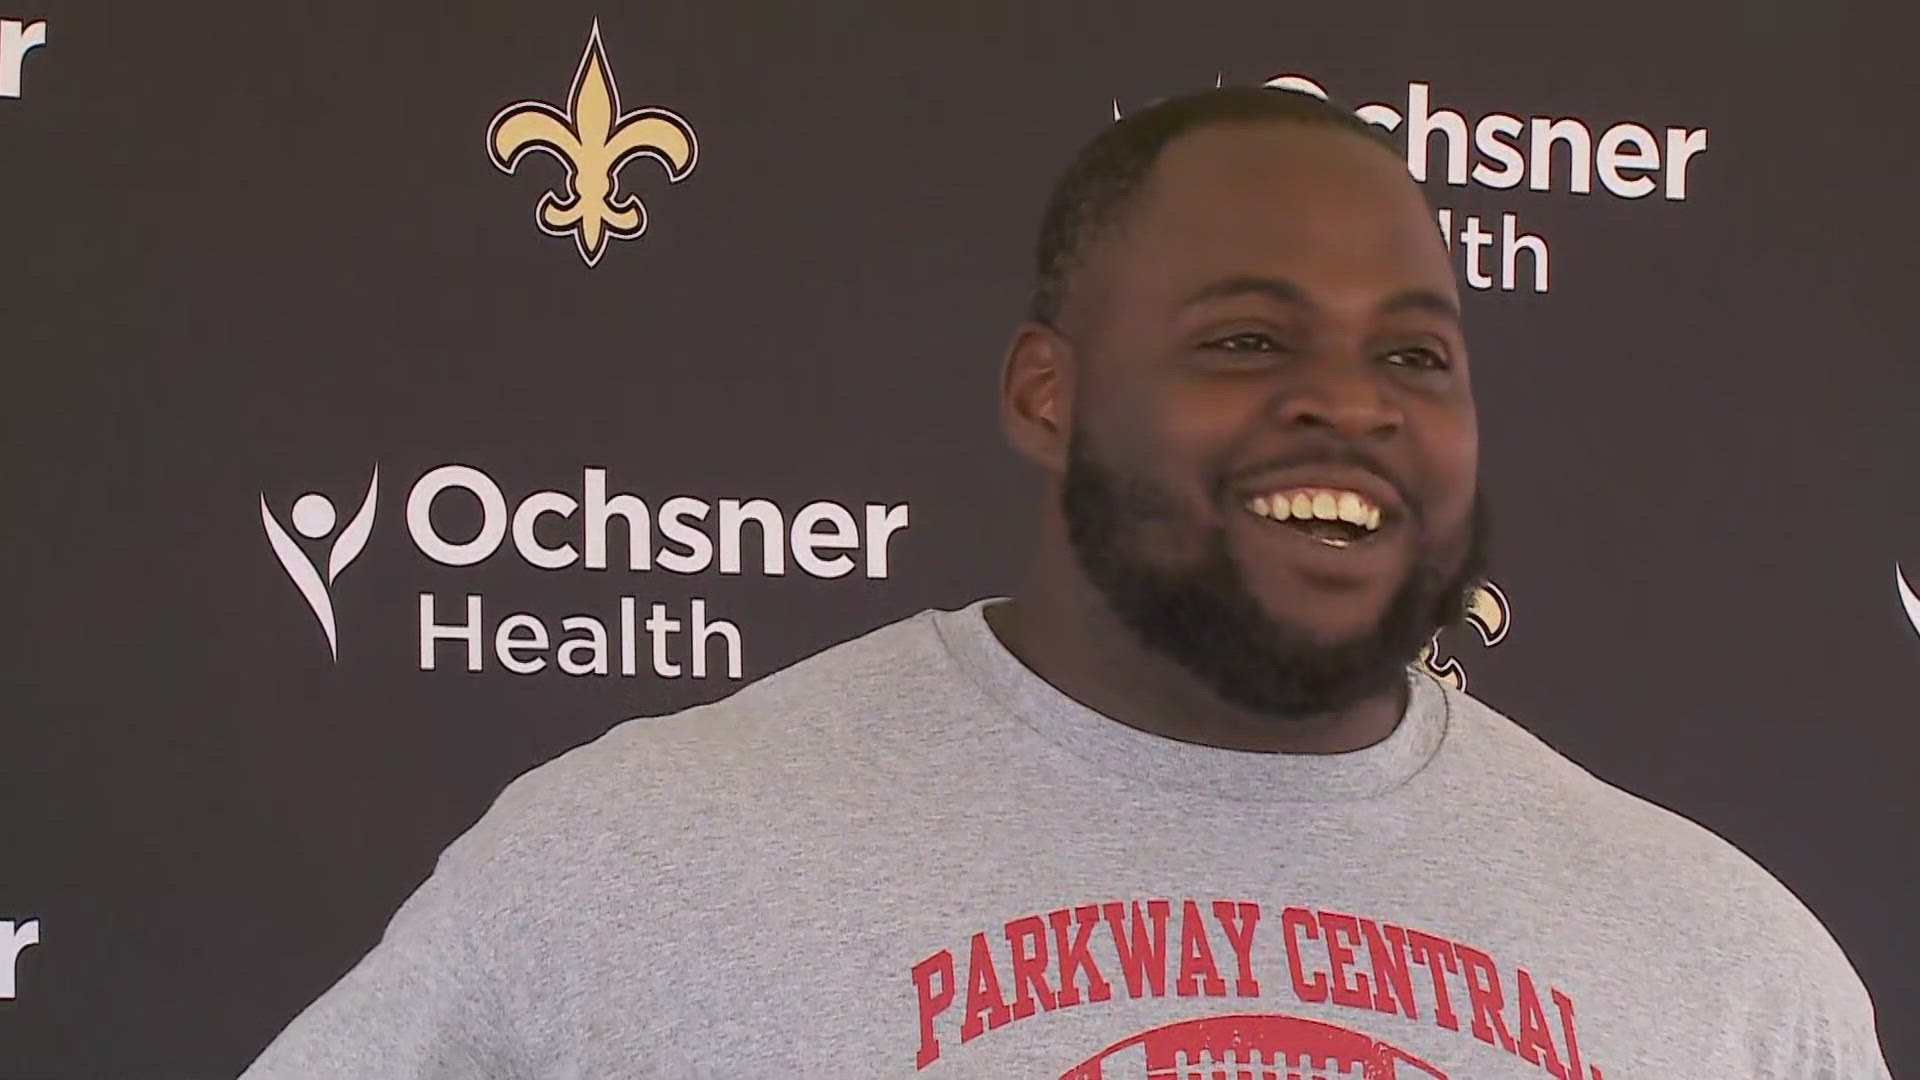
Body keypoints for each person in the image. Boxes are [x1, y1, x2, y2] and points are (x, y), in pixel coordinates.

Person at [239, 87, 1889, 1078]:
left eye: (1417, 354)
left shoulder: (1727, 966)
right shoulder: (643, 860)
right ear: (1049, 393)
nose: (1355, 402)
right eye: (1248, 338)